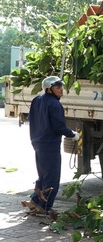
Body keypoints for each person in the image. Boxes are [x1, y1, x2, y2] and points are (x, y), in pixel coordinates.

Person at [21, 76, 79, 216]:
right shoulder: (55, 104)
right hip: (50, 144)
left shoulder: (37, 100)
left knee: (43, 175)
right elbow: (59, 127)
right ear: (49, 89)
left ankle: (35, 201)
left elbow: (32, 119)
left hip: (37, 142)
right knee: (52, 178)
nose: (61, 90)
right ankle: (45, 206)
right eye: (58, 87)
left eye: (61, 87)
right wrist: (72, 134)